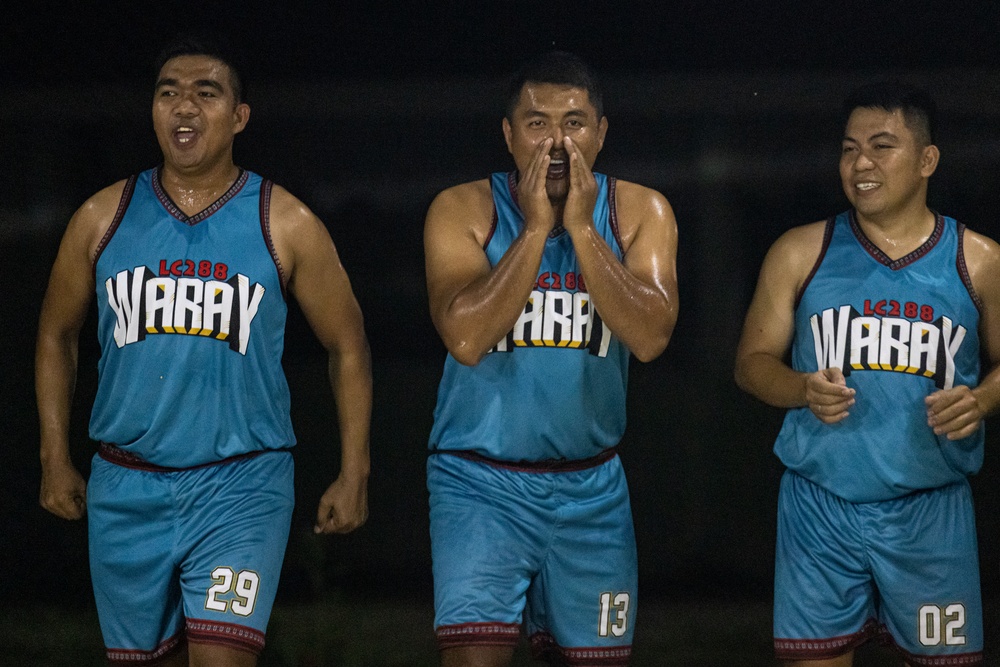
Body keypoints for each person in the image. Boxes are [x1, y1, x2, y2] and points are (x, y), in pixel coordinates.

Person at [35, 35, 372, 667]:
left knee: (223, 657)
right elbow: (56, 333)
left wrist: (356, 471)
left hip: (242, 484)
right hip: (127, 482)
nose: (183, 106)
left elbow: (347, 344)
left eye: (205, 92)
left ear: (239, 116)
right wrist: (54, 456)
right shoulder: (102, 216)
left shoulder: (284, 220)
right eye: (169, 93)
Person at [423, 51, 679, 666]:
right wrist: (537, 229)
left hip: (592, 485)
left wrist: (582, 230)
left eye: (575, 122)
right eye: (538, 124)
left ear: (602, 132)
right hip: (479, 479)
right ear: (509, 135)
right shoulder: (463, 209)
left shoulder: (641, 210)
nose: (558, 141)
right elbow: (464, 336)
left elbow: (649, 337)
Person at [734, 81, 1000, 666]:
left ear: (927, 160)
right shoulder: (801, 251)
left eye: (882, 146)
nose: (861, 164)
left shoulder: (978, 259)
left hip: (929, 507)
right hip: (819, 505)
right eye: (850, 148)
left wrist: (981, 399)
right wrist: (801, 388)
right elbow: (751, 365)